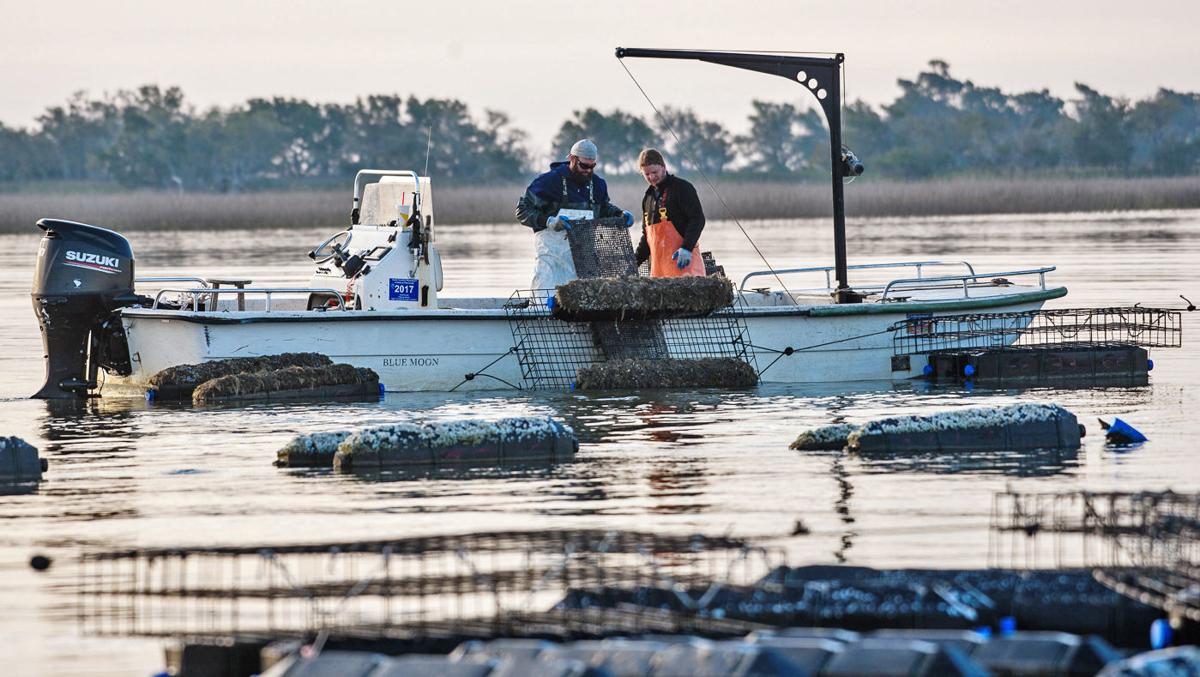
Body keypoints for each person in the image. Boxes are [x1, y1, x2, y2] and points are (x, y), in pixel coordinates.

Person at [516, 139, 633, 289]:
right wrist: (549, 221)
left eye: (592, 166)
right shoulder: (548, 182)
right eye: (584, 165)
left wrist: (620, 214)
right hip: (552, 260)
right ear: (572, 158)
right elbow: (522, 210)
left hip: (585, 260)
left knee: (585, 301)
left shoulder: (598, 184)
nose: (588, 170)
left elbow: (603, 209)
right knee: (546, 298)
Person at [635, 148, 706, 277]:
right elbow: (647, 238)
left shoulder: (682, 188)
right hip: (659, 274)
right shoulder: (648, 198)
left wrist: (687, 248)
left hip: (686, 269)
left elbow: (697, 219)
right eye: (647, 174)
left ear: (663, 167)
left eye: (654, 172)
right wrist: (633, 263)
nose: (651, 177)